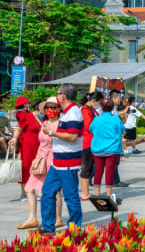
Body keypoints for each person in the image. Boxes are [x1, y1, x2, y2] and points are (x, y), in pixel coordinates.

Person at [39, 84, 83, 234]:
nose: (57, 96)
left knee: (70, 197)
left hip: (68, 163)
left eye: (57, 94)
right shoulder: (67, 112)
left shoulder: (73, 113)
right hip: (58, 163)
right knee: (47, 192)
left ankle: (74, 229)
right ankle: (47, 227)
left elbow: (72, 136)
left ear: (62, 96)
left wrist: (51, 133)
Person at [16, 97, 63, 230]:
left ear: (59, 109)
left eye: (53, 107)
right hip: (41, 159)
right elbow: (41, 143)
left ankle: (57, 219)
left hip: (53, 160)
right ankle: (32, 218)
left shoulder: (61, 124)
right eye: (48, 107)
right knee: (29, 188)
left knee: (54, 191)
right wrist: (36, 160)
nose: (50, 110)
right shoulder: (44, 123)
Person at [89, 99, 125, 200]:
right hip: (113, 149)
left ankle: (97, 194)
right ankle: (109, 195)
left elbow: (91, 129)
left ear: (101, 108)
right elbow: (122, 129)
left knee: (98, 171)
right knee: (109, 172)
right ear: (112, 108)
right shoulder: (116, 119)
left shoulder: (96, 119)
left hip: (98, 149)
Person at [8, 96, 41, 201]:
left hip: (35, 144)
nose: (28, 105)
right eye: (26, 103)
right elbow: (19, 128)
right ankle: (25, 192)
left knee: (35, 168)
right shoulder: (22, 114)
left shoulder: (31, 115)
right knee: (25, 168)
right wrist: (15, 138)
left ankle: (34, 191)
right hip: (27, 144)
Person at [79, 92, 104, 200]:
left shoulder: (91, 109)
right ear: (93, 101)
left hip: (92, 142)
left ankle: (87, 192)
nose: (99, 105)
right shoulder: (85, 110)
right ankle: (84, 193)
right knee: (86, 168)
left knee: (89, 167)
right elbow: (89, 126)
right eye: (99, 102)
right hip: (87, 142)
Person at [108, 90, 128, 188]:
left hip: (116, 139)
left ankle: (116, 180)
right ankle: (115, 181)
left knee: (115, 162)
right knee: (114, 162)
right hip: (113, 140)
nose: (121, 100)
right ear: (115, 98)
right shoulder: (111, 110)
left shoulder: (114, 109)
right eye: (120, 98)